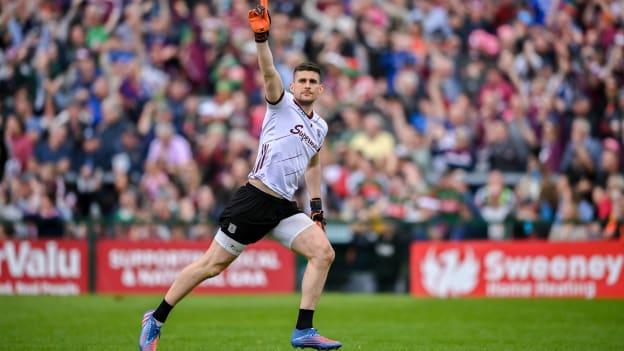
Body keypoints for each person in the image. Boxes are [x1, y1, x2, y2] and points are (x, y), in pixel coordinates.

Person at [138, 1, 342, 350]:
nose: (307, 86)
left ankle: (303, 330)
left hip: (283, 207)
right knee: (211, 266)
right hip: (255, 199)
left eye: (313, 82)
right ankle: (155, 319)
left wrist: (317, 209)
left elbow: (312, 164)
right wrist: (262, 39)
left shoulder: (319, 127)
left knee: (324, 253)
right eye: (302, 81)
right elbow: (267, 73)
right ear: (294, 87)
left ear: (321, 90)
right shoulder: (281, 103)